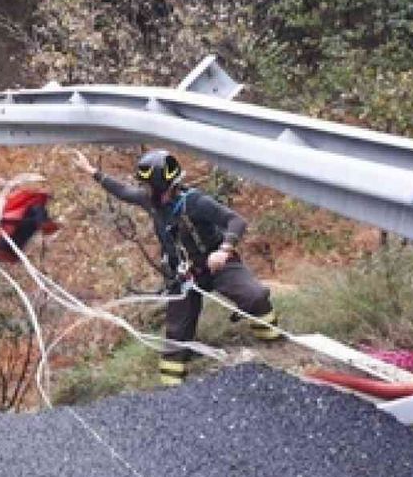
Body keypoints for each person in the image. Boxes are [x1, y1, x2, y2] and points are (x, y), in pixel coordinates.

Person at [74, 149, 280, 386]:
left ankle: (274, 345)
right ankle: (171, 388)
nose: (143, 190)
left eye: (147, 185)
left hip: (216, 264)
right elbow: (123, 191)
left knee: (255, 296)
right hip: (184, 275)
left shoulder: (195, 202)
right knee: (175, 337)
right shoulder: (150, 201)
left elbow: (236, 221)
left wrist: (224, 250)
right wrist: (92, 172)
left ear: (162, 186)